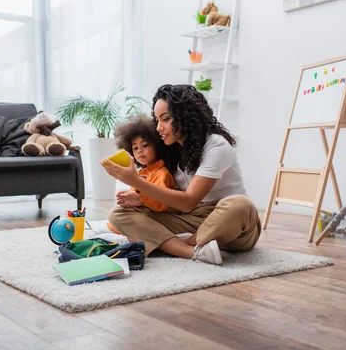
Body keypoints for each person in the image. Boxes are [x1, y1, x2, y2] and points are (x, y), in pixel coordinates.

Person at [101, 84, 261, 265]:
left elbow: (188, 200)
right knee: (118, 214)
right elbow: (178, 207)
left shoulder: (216, 145)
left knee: (240, 205)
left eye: (166, 119)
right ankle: (192, 251)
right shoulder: (172, 151)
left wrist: (135, 181)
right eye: (157, 120)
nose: (159, 128)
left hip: (231, 226)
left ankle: (175, 244)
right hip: (193, 219)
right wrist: (142, 200)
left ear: (186, 116)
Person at [105, 113, 176, 235]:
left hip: (160, 218)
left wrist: (140, 200)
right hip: (145, 216)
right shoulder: (142, 172)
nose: (140, 151)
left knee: (118, 216)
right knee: (117, 213)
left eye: (145, 145)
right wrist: (130, 198)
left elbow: (160, 204)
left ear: (157, 146)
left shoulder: (161, 173)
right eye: (135, 148)